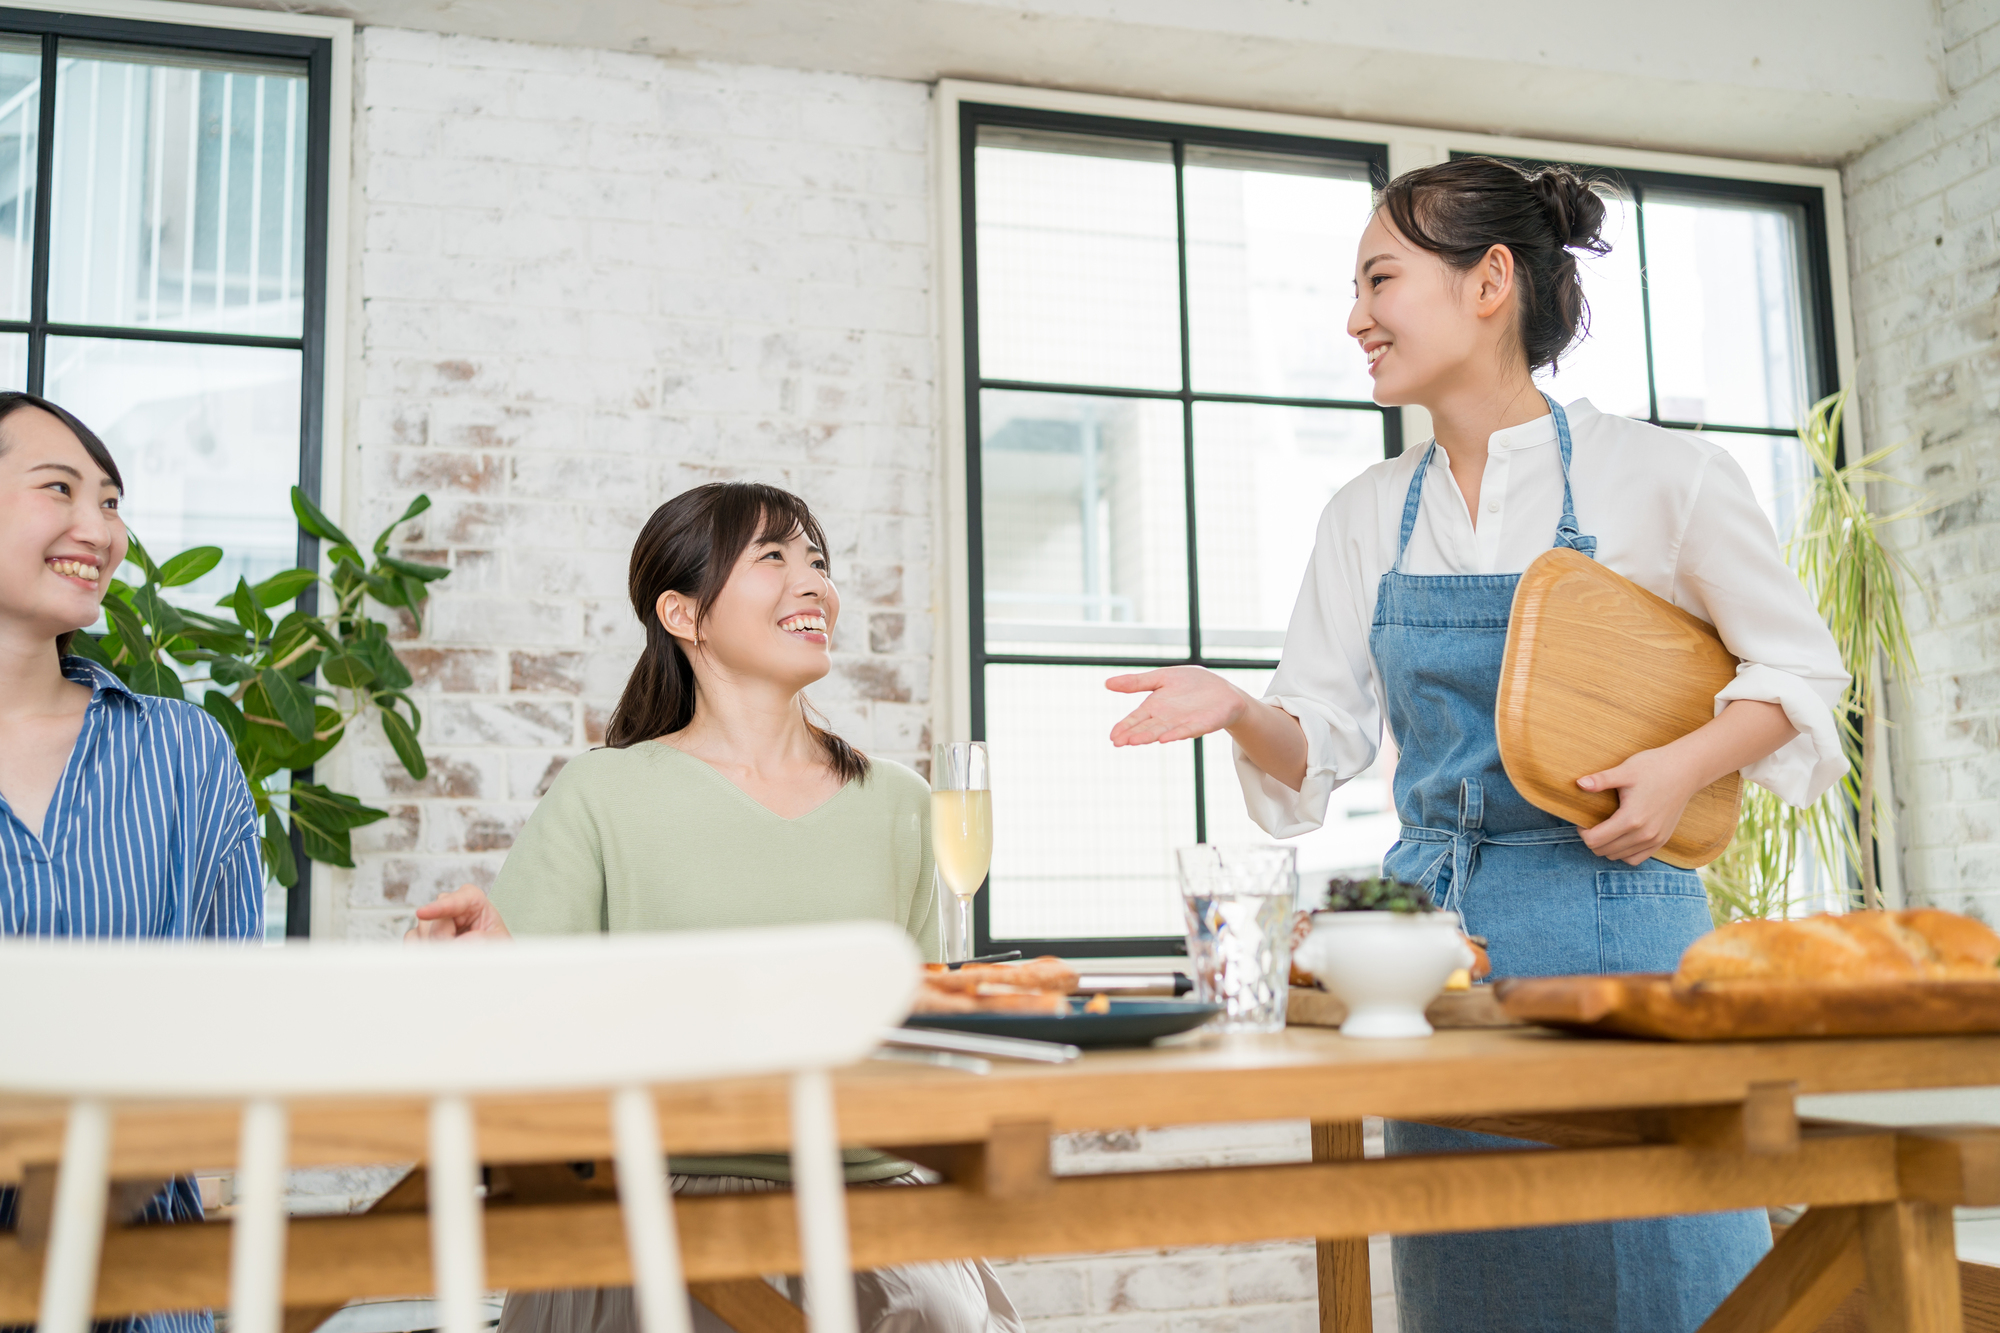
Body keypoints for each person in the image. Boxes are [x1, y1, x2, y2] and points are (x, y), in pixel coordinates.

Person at [1104, 158, 1848, 1333]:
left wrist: (1684, 767)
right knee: (1473, 1277)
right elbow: (1324, 738)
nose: (1353, 317)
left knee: (1666, 1269)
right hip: (1431, 964)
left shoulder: (1661, 475)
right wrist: (1236, 708)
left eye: (1379, 279)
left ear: (1489, 280)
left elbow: (1801, 674)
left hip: (1620, 936)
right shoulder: (1365, 509)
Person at [411, 481, 1019, 1333]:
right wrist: (475, 974)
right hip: (650, 1219)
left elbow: (931, 1036)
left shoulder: (908, 805)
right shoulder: (602, 794)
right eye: (773, 557)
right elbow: (523, 1030)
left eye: (817, 560)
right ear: (683, 614)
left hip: (871, 1218)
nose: (814, 583)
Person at [0, 390, 264, 1333]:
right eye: (60, 489)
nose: (99, 529)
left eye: (110, 502)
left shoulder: (186, 752)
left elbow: (233, 1019)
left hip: (144, 1275)